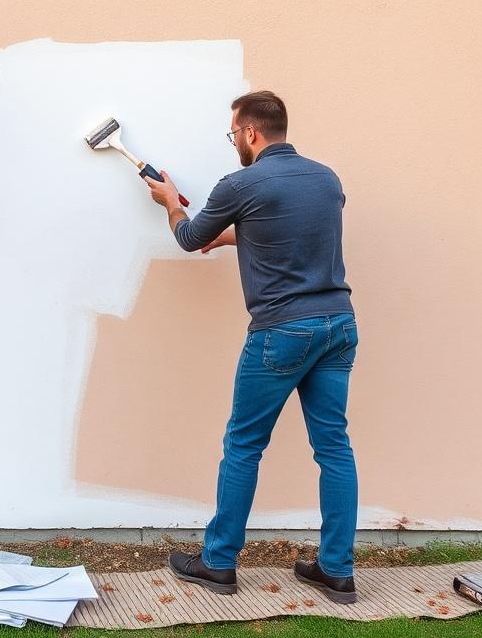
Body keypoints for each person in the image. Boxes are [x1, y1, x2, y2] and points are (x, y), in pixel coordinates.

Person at [144, 91, 359, 604]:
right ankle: (337, 571)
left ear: (250, 133)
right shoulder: (326, 179)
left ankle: (218, 562)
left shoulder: (240, 183)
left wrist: (170, 203)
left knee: (244, 445)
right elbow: (294, 231)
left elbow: (188, 237)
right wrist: (233, 236)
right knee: (334, 447)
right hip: (338, 325)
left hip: (282, 331)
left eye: (233, 133)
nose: (234, 142)